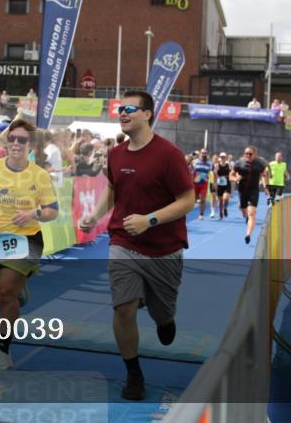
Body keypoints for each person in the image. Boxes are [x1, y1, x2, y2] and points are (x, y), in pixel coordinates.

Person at [79, 90, 195, 401]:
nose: (122, 112)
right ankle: (133, 373)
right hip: (123, 242)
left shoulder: (169, 154)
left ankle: (164, 317)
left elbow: (188, 200)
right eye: (119, 108)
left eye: (130, 108)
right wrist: (94, 215)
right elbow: (114, 190)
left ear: (147, 114)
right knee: (123, 307)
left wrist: (150, 220)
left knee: (161, 315)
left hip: (164, 249)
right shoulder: (115, 154)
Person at [0, 117, 58, 370]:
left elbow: (52, 211)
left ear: (31, 145)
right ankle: (18, 290)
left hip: (25, 239)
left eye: (22, 140)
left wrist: (34, 214)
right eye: (12, 138)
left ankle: (3, 352)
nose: (16, 143)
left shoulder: (39, 176)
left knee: (6, 291)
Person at [231, 146, 269, 245]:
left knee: (252, 213)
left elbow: (264, 176)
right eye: (246, 153)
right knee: (244, 211)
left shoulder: (260, 164)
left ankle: (248, 234)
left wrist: (265, 187)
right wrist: (236, 179)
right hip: (242, 191)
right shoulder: (239, 163)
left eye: (250, 154)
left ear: (255, 154)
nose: (248, 155)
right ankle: (246, 216)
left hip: (253, 191)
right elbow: (231, 175)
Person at [191, 149, 213, 219]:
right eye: (203, 153)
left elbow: (214, 173)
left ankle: (201, 214)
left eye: (205, 153)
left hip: (204, 183)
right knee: (193, 200)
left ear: (207, 154)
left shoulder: (210, 163)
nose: (204, 155)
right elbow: (190, 171)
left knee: (203, 199)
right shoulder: (195, 162)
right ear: (200, 154)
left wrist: (214, 183)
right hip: (195, 183)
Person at [214, 152, 232, 219]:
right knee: (220, 200)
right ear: (220, 157)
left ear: (226, 157)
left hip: (227, 183)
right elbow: (215, 174)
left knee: (226, 198)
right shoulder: (217, 165)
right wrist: (215, 183)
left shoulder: (229, 165)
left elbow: (232, 172)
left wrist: (231, 178)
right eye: (221, 157)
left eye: (224, 157)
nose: (222, 158)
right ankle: (220, 213)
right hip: (220, 183)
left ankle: (225, 208)